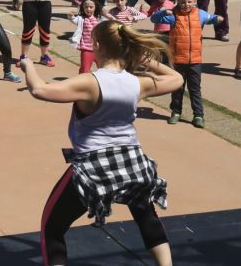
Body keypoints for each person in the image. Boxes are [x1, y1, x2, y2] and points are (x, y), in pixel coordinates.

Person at [20, 20, 183, 266]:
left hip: (94, 165)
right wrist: (144, 59)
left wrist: (28, 65)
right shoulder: (136, 83)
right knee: (145, 215)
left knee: (52, 227)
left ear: (97, 46)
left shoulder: (90, 82)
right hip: (132, 161)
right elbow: (177, 78)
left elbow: (40, 90)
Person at [151, 0, 223, 129]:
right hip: (178, 60)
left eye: (189, 2)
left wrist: (217, 19)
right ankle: (176, 112)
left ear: (194, 1)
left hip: (195, 60)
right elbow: (154, 18)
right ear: (178, 1)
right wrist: (163, 12)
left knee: (195, 89)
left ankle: (198, 115)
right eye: (183, 2)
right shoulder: (173, 15)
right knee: (177, 88)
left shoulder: (200, 14)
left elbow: (211, 18)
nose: (186, 5)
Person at [68, 0, 105, 74]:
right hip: (86, 49)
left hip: (99, 50)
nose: (88, 9)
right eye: (86, 7)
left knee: (103, 69)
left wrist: (109, 16)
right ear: (83, 8)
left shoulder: (100, 19)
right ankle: (82, 83)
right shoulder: (81, 19)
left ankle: (102, 82)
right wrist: (70, 16)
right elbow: (73, 19)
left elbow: (111, 23)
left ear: (95, 7)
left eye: (91, 7)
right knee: (85, 69)